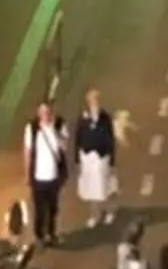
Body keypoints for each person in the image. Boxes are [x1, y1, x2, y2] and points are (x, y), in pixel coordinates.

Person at [25, 100, 68, 245]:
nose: (45, 115)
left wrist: (55, 132)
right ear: (38, 113)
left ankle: (51, 233)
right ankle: (39, 236)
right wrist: (27, 174)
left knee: (53, 208)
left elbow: (63, 147)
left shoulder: (59, 126)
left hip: (54, 177)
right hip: (39, 178)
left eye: (48, 112)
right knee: (39, 210)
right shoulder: (32, 128)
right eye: (42, 112)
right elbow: (28, 151)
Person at [74, 85, 118, 221]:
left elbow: (110, 138)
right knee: (91, 189)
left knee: (106, 186)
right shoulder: (83, 118)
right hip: (87, 158)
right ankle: (94, 214)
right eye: (92, 100)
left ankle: (109, 210)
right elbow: (78, 138)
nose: (94, 103)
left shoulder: (105, 118)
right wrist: (77, 159)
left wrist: (112, 160)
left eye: (96, 100)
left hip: (102, 157)